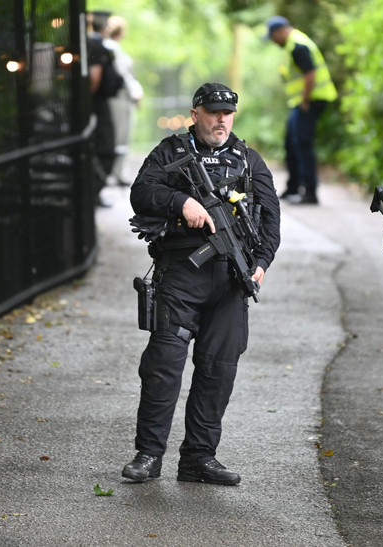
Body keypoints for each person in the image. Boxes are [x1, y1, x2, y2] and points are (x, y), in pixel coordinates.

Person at [123, 83, 280, 485]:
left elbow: (270, 221)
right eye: (213, 112)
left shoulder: (248, 160)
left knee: (218, 369)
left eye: (228, 112)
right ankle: (148, 454)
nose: (221, 119)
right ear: (195, 114)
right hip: (181, 274)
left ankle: (198, 458)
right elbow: (141, 193)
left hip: (230, 280)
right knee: (163, 365)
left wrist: (261, 262)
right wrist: (182, 203)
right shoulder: (171, 152)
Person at [266, 15, 337, 205]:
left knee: (303, 143)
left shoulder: (298, 45)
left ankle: (310, 192)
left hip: (311, 101)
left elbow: (310, 73)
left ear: (280, 31)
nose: (273, 41)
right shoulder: (292, 44)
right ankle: (293, 187)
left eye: (272, 37)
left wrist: (305, 100)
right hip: (302, 102)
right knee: (291, 142)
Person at [103, 15, 144, 187]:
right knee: (121, 135)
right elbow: (124, 76)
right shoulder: (113, 48)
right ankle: (117, 172)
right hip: (120, 99)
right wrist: (135, 94)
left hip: (119, 98)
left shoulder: (112, 47)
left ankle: (116, 171)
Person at [87, 14, 122, 207]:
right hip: (98, 104)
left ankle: (94, 193)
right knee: (105, 148)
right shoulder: (95, 45)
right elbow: (95, 77)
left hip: (99, 103)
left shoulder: (94, 44)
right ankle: (93, 193)